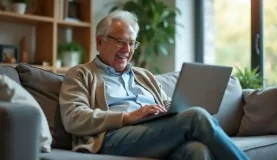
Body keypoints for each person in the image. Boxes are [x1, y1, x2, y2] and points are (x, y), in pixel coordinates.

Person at [59, 10, 249, 160]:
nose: (127, 50)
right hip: (111, 138)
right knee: (196, 117)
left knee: (196, 150)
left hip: (153, 132)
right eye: (121, 42)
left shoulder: (144, 75)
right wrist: (127, 117)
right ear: (100, 41)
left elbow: (167, 102)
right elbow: (73, 118)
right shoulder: (80, 74)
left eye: (132, 43)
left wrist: (174, 108)